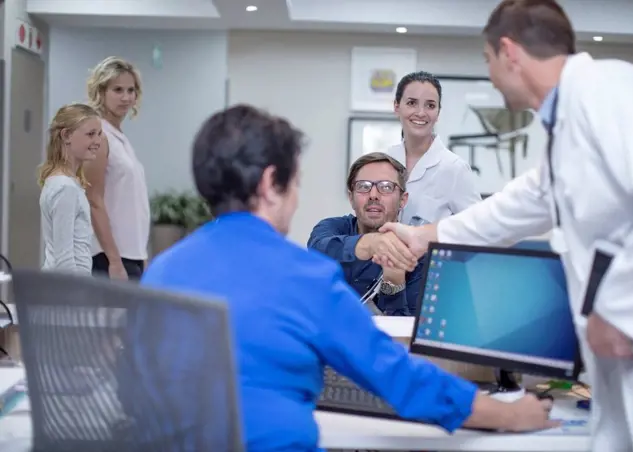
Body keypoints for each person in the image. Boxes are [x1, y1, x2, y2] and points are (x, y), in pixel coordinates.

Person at [123, 104, 557, 451]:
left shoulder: (164, 269)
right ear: (273, 182)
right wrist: (512, 415)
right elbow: (400, 380)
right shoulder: (303, 276)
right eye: (296, 182)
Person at [377, 1, 633, 451]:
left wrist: (622, 314)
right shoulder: (566, 127)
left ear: (508, 52)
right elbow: (515, 206)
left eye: (487, 62)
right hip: (622, 354)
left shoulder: (614, 90)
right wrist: (423, 236)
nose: (491, 75)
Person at [308, 152, 420, 315]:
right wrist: (373, 244)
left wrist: (393, 283)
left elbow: (407, 333)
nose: (373, 195)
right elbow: (318, 250)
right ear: (351, 197)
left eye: (386, 187)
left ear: (403, 199)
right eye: (363, 186)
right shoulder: (332, 228)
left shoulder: (416, 252)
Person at [84, 56, 150, 281]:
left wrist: (142, 256)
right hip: (110, 257)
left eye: (131, 90)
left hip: (131, 255)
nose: (126, 97)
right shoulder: (99, 135)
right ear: (101, 92)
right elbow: (93, 200)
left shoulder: (118, 136)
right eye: (117, 90)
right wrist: (114, 260)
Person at [386, 71, 481, 225]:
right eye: (411, 103)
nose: (421, 113)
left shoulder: (454, 168)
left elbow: (478, 227)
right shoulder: (386, 160)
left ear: (438, 113)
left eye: (430, 105)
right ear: (397, 107)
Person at [38, 103, 102, 274]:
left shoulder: (65, 184)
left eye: (99, 134)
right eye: (90, 134)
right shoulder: (65, 188)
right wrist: (77, 296)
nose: (98, 141)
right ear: (66, 135)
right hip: (66, 292)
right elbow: (64, 259)